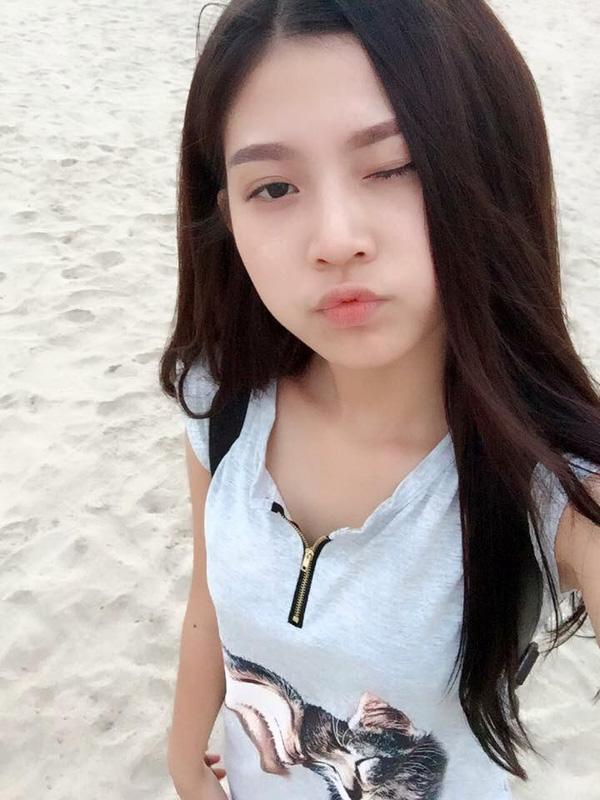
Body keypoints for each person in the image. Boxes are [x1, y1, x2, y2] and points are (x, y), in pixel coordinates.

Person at [159, 1, 600, 798]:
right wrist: (186, 752)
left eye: (395, 167)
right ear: (226, 214)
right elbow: (209, 595)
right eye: (274, 187)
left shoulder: (548, 483)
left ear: (490, 170)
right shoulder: (224, 401)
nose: (335, 238)